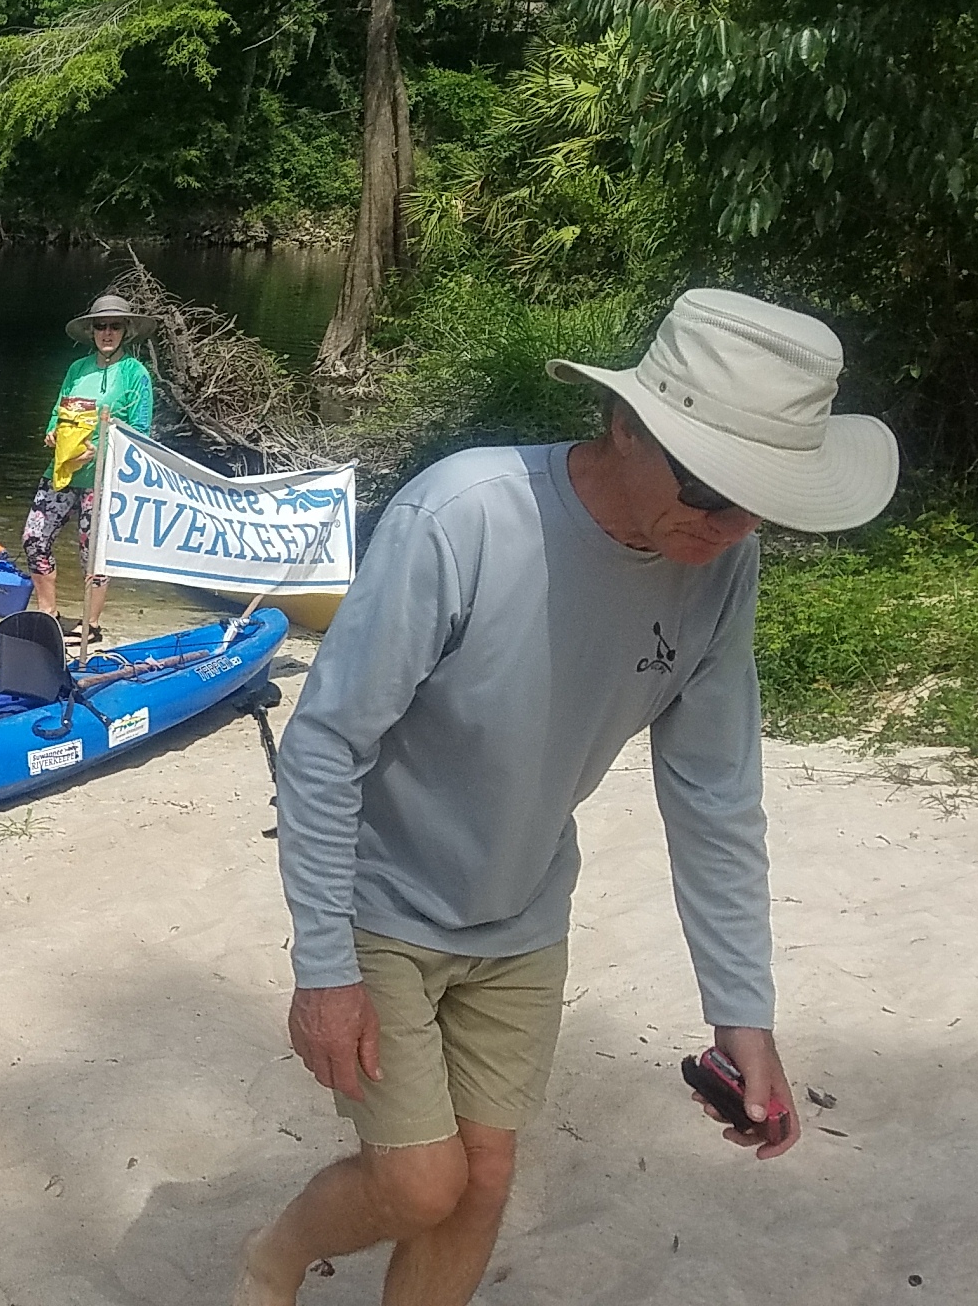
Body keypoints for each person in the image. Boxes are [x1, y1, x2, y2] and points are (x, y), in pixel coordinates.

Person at [234, 289, 899, 1306]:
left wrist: (741, 1015)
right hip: (382, 898)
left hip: (525, 911)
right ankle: (274, 1259)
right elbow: (325, 745)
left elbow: (715, 791)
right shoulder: (463, 515)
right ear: (623, 422)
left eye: (759, 501)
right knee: (419, 1182)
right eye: (712, 489)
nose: (729, 526)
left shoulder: (722, 564)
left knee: (486, 1175)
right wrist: (323, 969)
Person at [23, 292, 158, 644]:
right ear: (92, 331)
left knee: (94, 553)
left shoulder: (136, 374)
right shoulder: (76, 369)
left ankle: (91, 624)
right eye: (101, 326)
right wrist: (52, 431)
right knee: (34, 539)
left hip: (104, 477)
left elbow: (141, 433)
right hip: (62, 470)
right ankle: (47, 611)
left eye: (115, 326)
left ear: (126, 330)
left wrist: (101, 450)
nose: (107, 333)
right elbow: (59, 409)